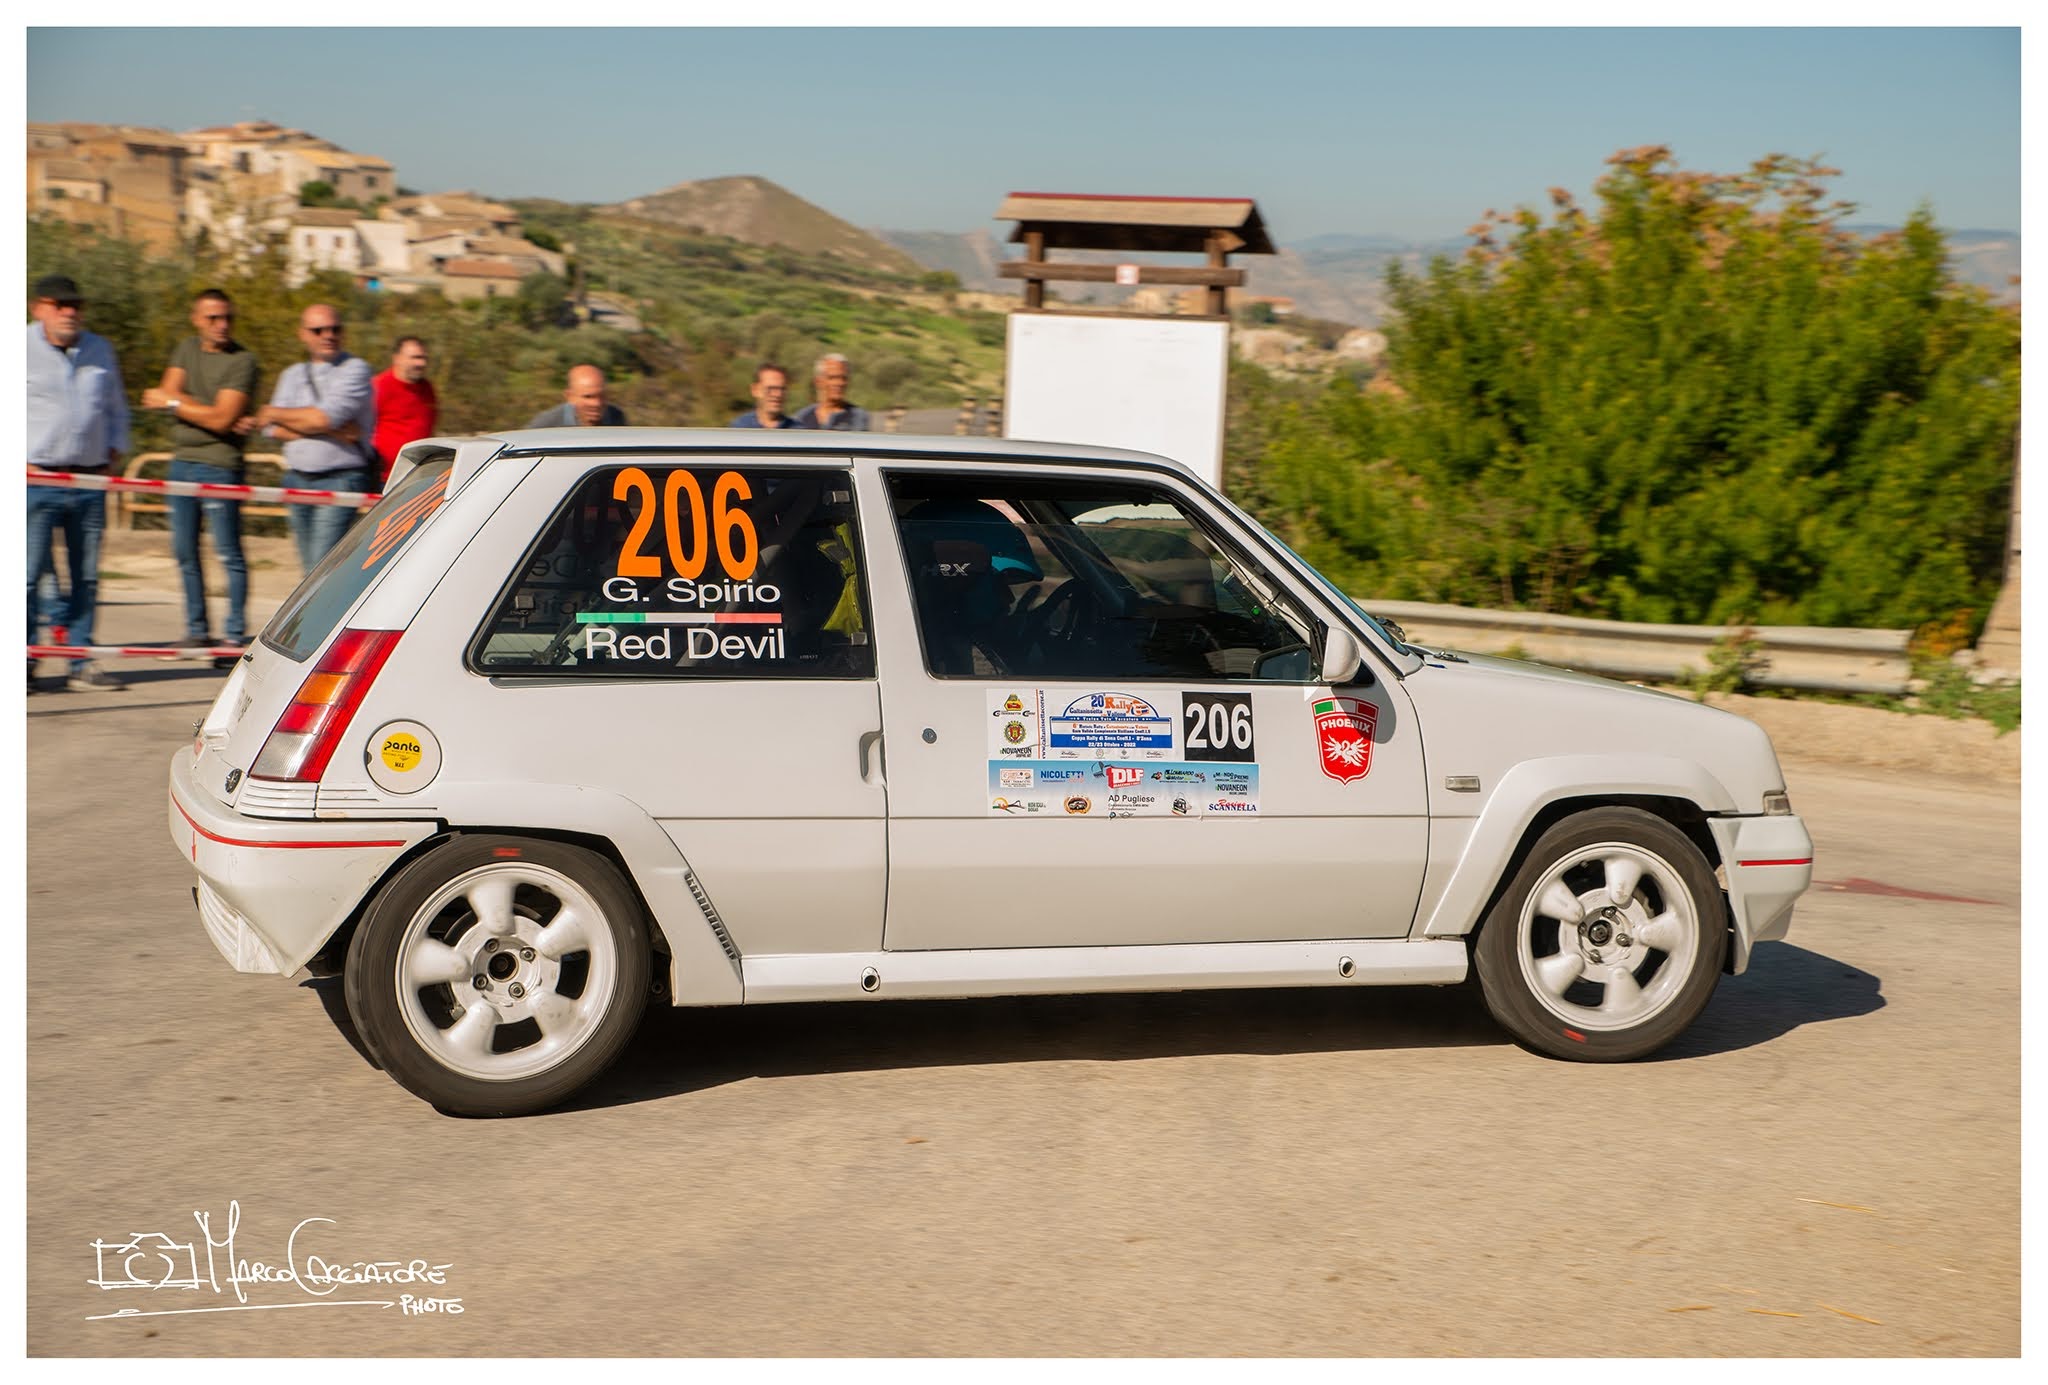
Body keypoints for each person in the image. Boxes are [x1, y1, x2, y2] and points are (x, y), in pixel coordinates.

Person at [27, 273, 130, 692]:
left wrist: (115, 450)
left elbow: (117, 408)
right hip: (34, 479)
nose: (69, 312)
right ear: (40, 308)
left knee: (85, 575)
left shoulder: (99, 349)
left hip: (88, 480)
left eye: (75, 305)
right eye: (59, 305)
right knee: (26, 576)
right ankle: (24, 661)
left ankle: (80, 661)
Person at [142, 288, 259, 650]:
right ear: (197, 320)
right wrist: (205, 409)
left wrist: (176, 403)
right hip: (182, 464)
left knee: (228, 551)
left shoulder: (243, 361)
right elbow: (160, 394)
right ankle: (196, 629)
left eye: (227, 317)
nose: (222, 325)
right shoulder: (186, 349)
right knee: (184, 551)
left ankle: (233, 634)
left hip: (220, 466)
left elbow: (222, 420)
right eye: (213, 318)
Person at [255, 304, 376, 573]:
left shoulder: (355, 369)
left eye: (335, 329)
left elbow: (322, 418)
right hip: (297, 478)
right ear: (303, 334)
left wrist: (279, 414)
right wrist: (331, 429)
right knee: (309, 570)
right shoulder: (292, 374)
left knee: (318, 570)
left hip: (340, 479)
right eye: (318, 330)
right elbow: (268, 428)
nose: (328, 335)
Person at [370, 336, 438, 485]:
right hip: (383, 478)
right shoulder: (379, 386)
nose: (421, 363)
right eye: (415, 358)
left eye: (424, 358)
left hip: (416, 476)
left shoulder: (427, 389)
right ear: (397, 358)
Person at [527, 364, 627, 427]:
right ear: (569, 396)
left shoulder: (616, 417)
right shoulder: (547, 423)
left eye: (602, 396)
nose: (596, 403)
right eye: (588, 397)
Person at [792, 352, 871, 431]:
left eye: (843, 378)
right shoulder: (802, 418)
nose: (839, 383)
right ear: (818, 381)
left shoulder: (858, 417)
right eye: (833, 378)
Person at [730, 362, 798, 428]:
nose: (778, 394)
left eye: (782, 389)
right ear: (755, 390)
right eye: (770, 388)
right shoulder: (740, 428)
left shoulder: (797, 431)